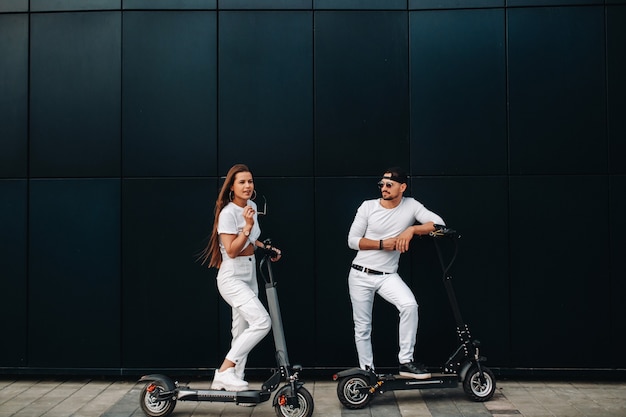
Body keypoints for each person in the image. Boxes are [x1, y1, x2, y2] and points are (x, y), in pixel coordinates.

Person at [347, 167, 445, 379]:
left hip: (387, 275)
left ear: (402, 187)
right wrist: (383, 244)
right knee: (362, 328)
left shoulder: (411, 206)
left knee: (409, 306)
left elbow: (439, 223)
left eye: (389, 184)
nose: (384, 188)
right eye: (381, 184)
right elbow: (352, 241)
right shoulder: (368, 207)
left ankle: (406, 362)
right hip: (360, 275)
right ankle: (367, 372)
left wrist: (411, 230)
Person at [199, 163, 282, 391]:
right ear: (232, 187)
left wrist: (265, 247)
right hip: (232, 275)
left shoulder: (252, 205)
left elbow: (251, 240)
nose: (247, 186)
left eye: (250, 181)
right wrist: (246, 225)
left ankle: (234, 381)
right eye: (242, 182)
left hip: (250, 271)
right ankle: (225, 370)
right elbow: (233, 249)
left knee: (241, 330)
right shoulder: (228, 213)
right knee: (262, 322)